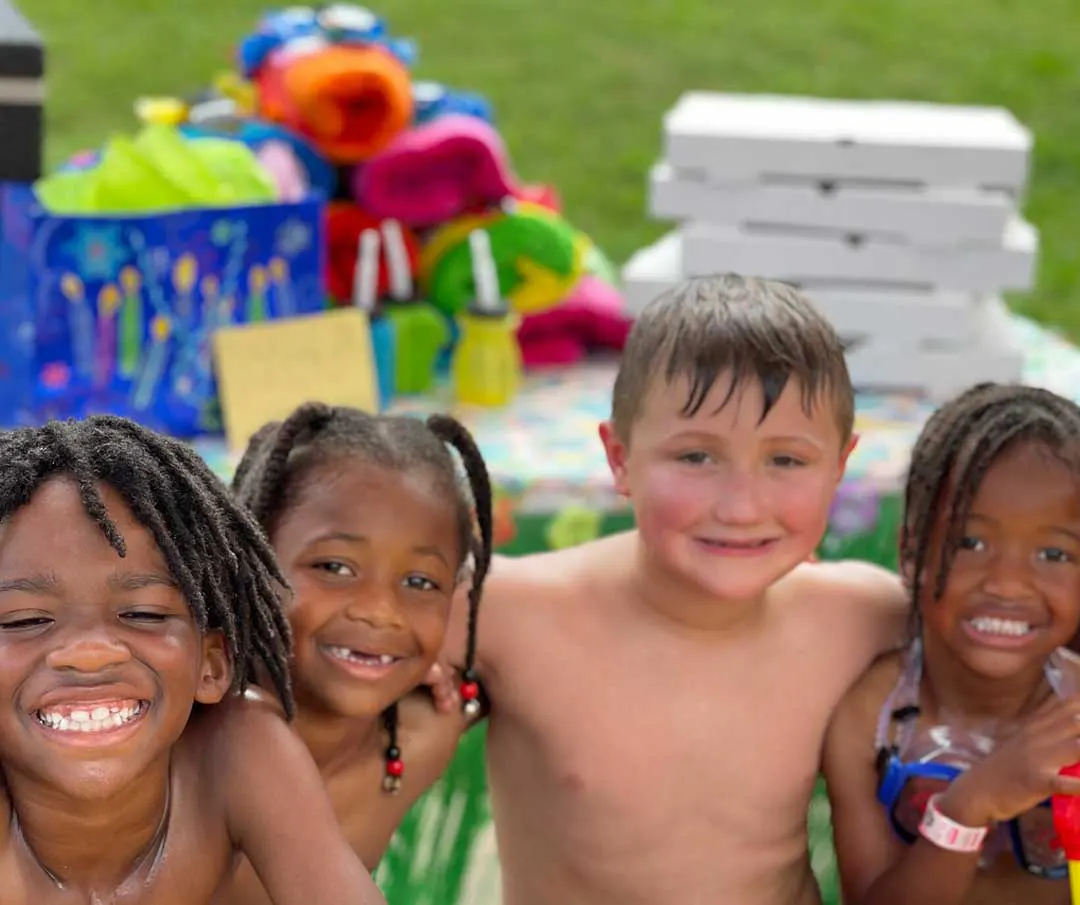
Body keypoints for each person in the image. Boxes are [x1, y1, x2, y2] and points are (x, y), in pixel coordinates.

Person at [442, 274, 911, 905]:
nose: (742, 507)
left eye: (786, 461)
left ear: (840, 467)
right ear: (619, 458)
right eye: (696, 458)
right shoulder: (506, 613)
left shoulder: (863, 617)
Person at [0, 415, 385, 905]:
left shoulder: (236, 750)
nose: (89, 654)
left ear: (211, 664)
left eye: (142, 613)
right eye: (23, 620)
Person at [215, 403, 492, 905]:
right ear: (250, 561)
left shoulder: (422, 735)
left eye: (418, 582)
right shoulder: (189, 750)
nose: (380, 612)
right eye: (335, 567)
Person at [824, 382, 1080, 905]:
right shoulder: (874, 718)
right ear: (912, 551)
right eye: (970, 542)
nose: (1007, 583)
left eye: (1054, 555)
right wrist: (970, 804)